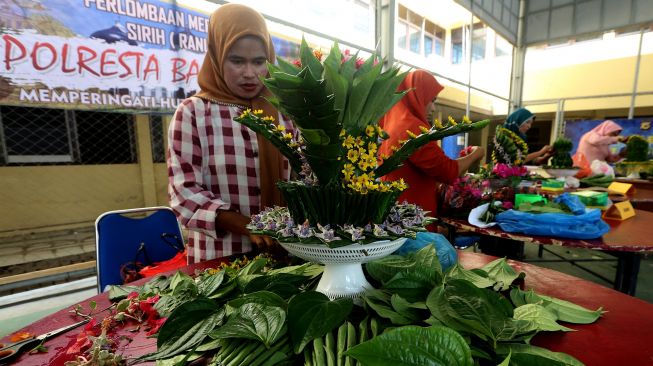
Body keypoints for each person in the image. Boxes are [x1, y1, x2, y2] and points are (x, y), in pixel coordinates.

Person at [167, 4, 292, 263]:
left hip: (285, 257)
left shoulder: (283, 114)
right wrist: (245, 225)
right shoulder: (194, 113)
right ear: (216, 56)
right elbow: (184, 192)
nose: (250, 73)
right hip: (220, 260)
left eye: (259, 62)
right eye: (237, 61)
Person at [378, 70, 485, 224]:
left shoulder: (392, 122)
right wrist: (476, 154)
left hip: (396, 212)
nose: (433, 108)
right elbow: (449, 171)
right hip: (413, 219)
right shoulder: (412, 129)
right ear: (419, 95)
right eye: (432, 100)